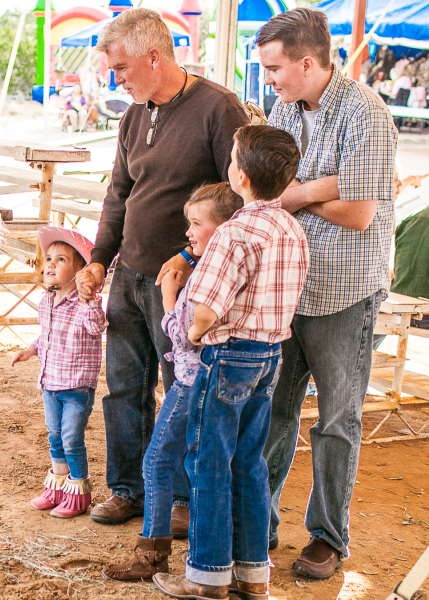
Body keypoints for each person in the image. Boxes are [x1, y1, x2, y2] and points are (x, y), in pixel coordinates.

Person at [75, 7, 249, 527]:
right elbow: (118, 195)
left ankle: (181, 498)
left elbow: (239, 200)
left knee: (183, 388)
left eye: (122, 68)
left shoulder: (220, 109)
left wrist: (193, 256)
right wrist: (100, 259)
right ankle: (128, 488)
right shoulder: (133, 115)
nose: (117, 79)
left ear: (155, 56)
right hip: (129, 274)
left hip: (184, 282)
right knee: (125, 386)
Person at [257, 8, 398, 579]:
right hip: (289, 285)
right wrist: (328, 186)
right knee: (273, 412)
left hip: (347, 288)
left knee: (337, 420)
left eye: (274, 68)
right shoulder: (282, 109)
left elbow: (361, 212)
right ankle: (256, 520)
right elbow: (269, 186)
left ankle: (328, 536)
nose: (268, 79)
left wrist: (299, 194)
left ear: (307, 62)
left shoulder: (368, 112)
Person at [153, 124, 308, 600]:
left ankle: (207, 575)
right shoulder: (291, 227)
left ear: (238, 174)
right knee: (248, 463)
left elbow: (203, 309)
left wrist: (193, 335)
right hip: (268, 354)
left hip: (226, 355)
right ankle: (251, 572)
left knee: (208, 463)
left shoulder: (235, 232)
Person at [102, 183, 243, 582]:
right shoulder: (231, 262)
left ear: (225, 227)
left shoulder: (203, 277)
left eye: (196, 224)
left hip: (190, 382)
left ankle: (154, 555)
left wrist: (167, 296)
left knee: (159, 461)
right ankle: (231, 561)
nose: (189, 233)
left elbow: (184, 334)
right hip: (222, 377)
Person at [11, 227, 107, 519]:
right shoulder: (47, 302)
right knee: (55, 436)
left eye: (61, 259)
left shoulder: (85, 304)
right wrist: (31, 350)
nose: (50, 264)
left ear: (81, 271)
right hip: (50, 382)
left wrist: (90, 298)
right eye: (49, 258)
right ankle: (57, 487)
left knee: (71, 438)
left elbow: (96, 327)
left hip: (76, 385)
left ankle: (78, 492)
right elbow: (49, 336)